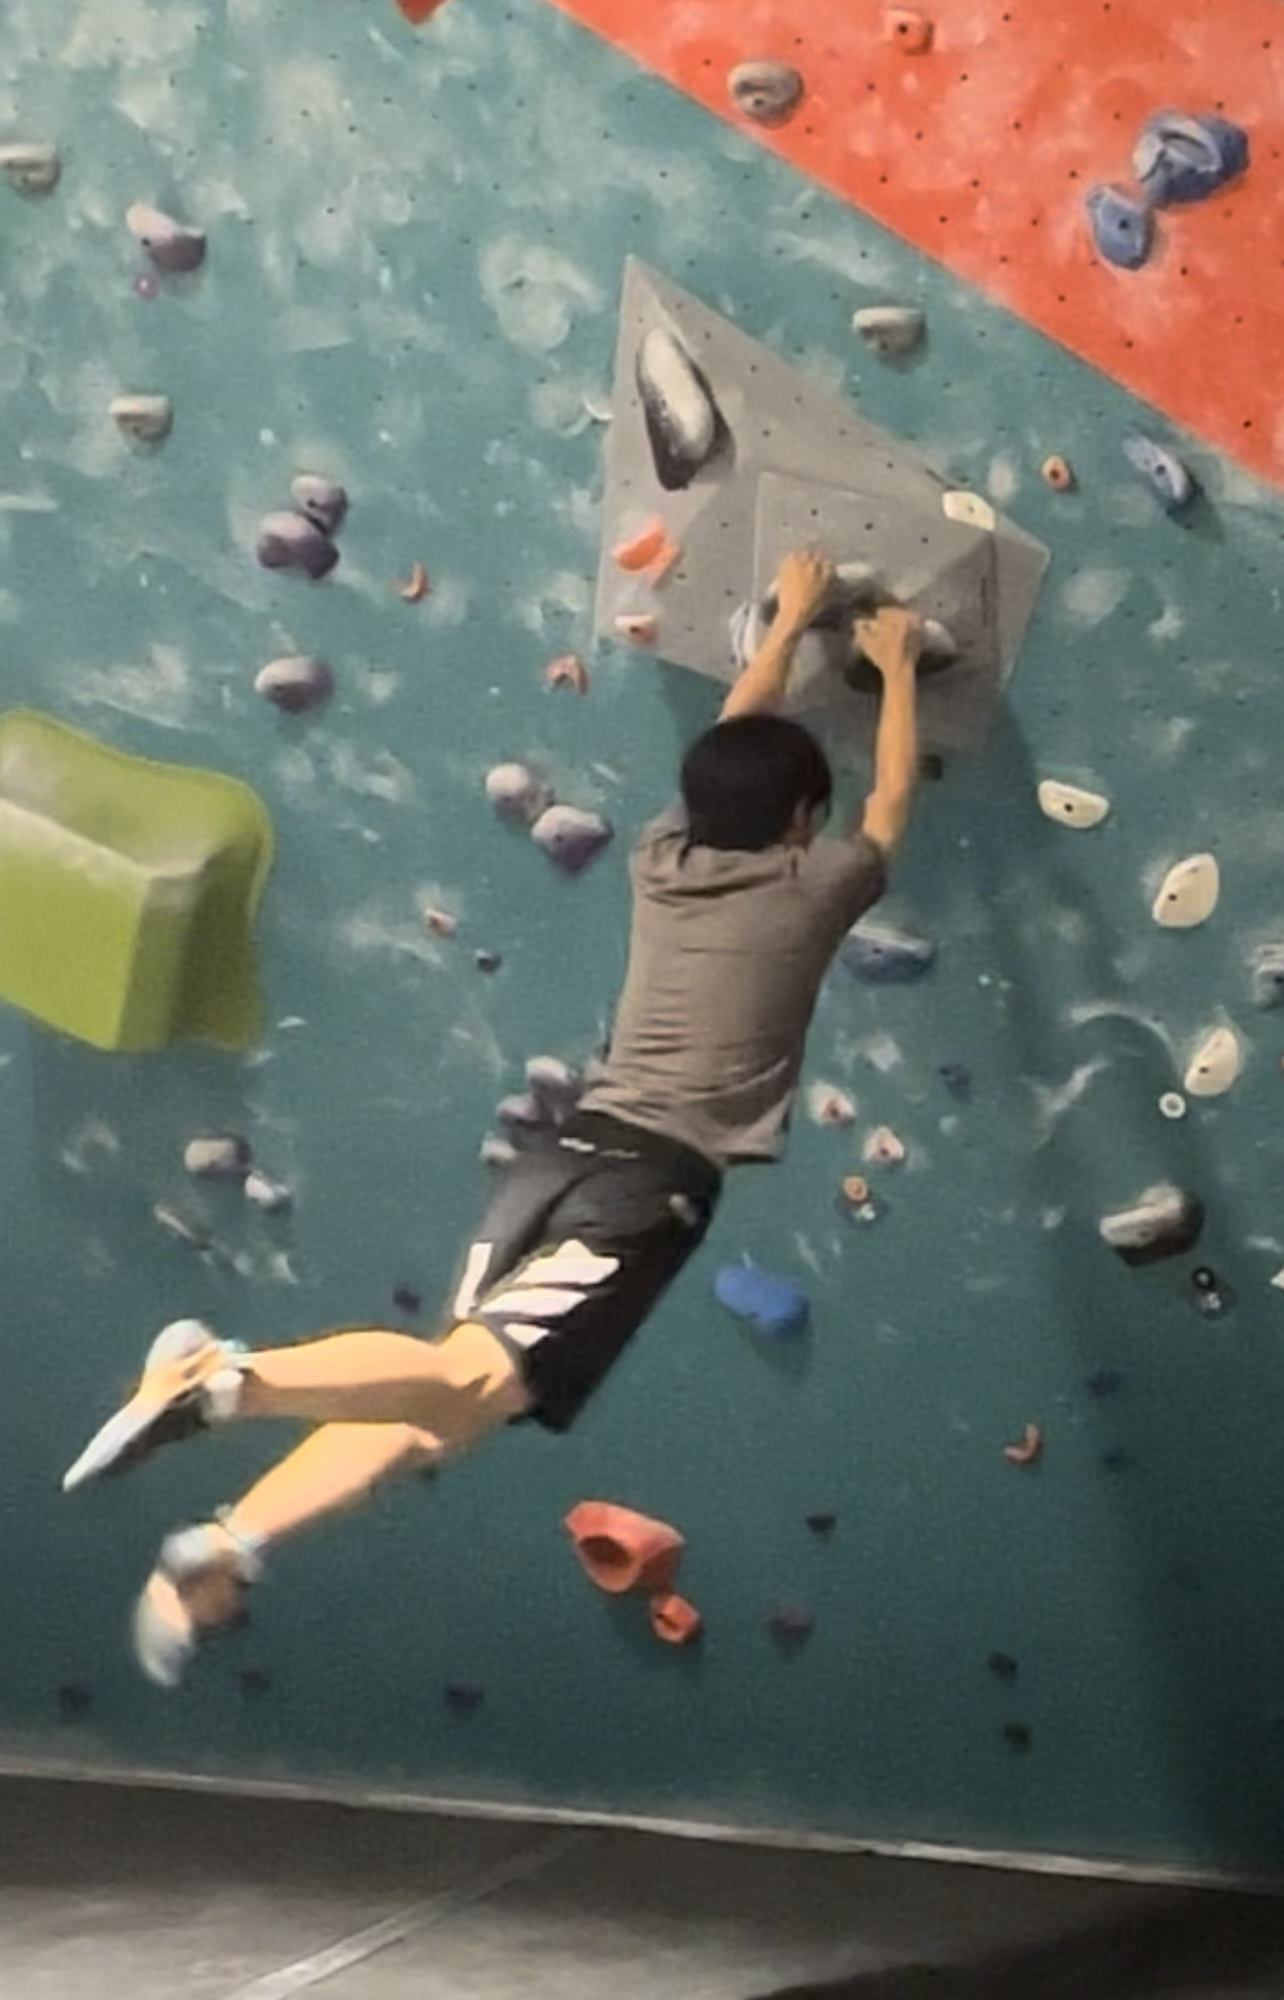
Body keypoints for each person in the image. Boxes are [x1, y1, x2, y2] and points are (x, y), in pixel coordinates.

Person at [62, 551, 924, 1686]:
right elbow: (892, 799)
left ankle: (230, 1542)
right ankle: (227, 1381)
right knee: (462, 1385)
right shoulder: (812, 889)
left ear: (706, 807)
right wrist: (902, 668)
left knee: (437, 1407)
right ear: (803, 823)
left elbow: (736, 738)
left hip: (559, 1155)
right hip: (645, 1187)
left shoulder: (666, 860)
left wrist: (795, 618)